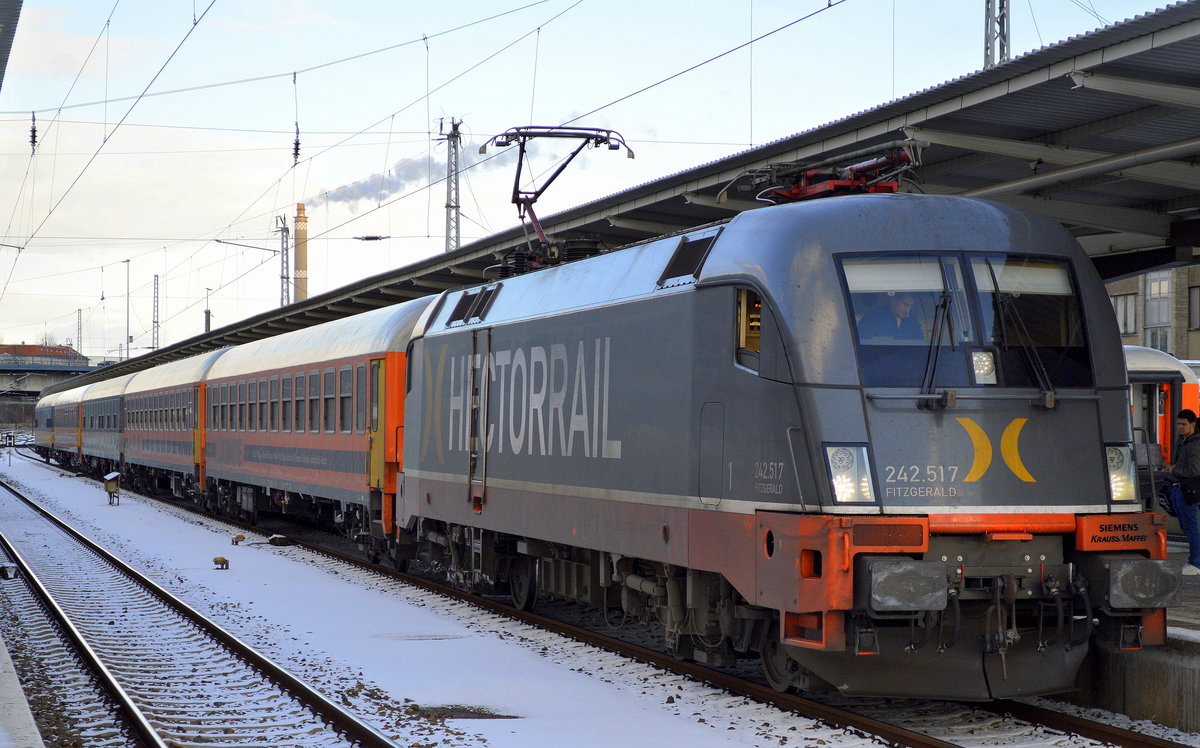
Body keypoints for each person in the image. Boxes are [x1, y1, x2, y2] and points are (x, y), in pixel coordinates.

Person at [1167, 408, 1200, 576]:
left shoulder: (1194, 445)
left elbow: (1194, 470)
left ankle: (1196, 563)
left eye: (1183, 424)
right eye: (1178, 423)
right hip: (1184, 489)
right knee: (1188, 527)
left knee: (1191, 527)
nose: (1180, 427)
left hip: (1189, 490)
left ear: (1192, 425)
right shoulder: (1184, 442)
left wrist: (1174, 471)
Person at [857, 292, 923, 341]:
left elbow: (919, 344)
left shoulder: (912, 322)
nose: (907, 310)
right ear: (893, 300)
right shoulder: (871, 319)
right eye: (905, 305)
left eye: (911, 306)